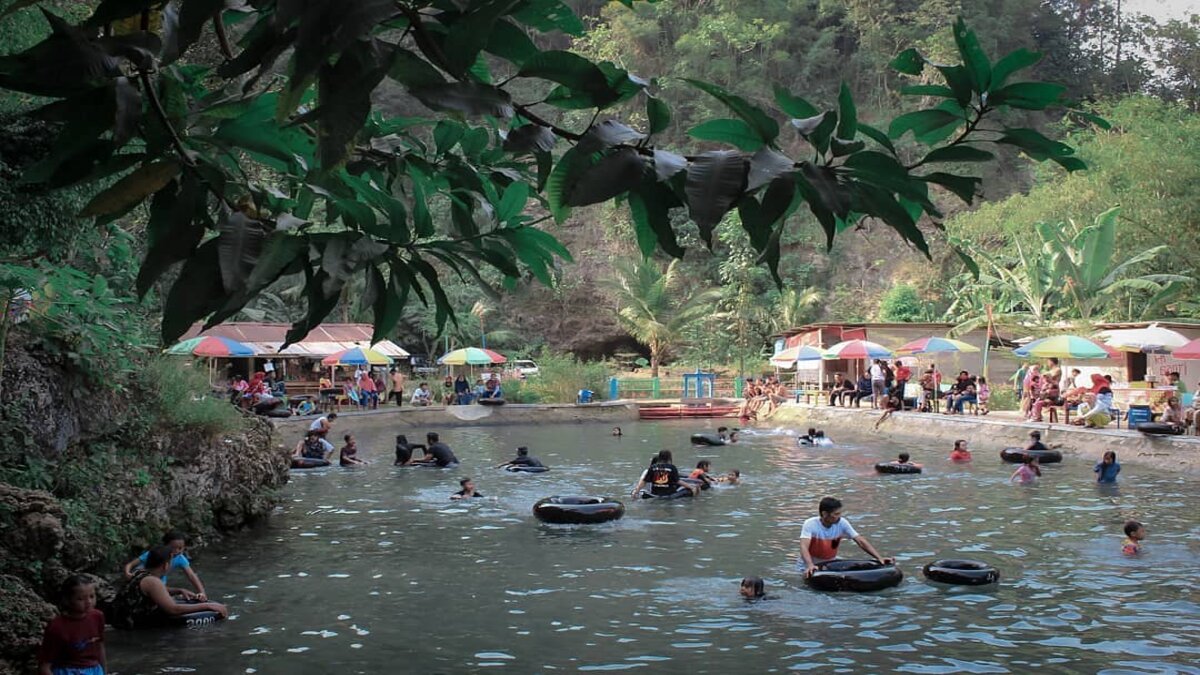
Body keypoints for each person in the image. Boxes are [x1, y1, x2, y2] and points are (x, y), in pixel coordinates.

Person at [111, 546, 229, 629]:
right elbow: (173, 609)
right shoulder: (153, 581)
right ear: (166, 565)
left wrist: (179, 590)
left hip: (122, 617)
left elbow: (153, 592)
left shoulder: (139, 572)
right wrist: (208, 605)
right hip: (133, 623)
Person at [799, 497, 893, 577]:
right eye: (836, 514)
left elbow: (860, 541)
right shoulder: (810, 524)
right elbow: (804, 547)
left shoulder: (842, 523)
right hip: (807, 565)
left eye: (840, 513)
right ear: (824, 514)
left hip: (829, 564)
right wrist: (810, 565)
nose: (839, 517)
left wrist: (879, 558)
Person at [38, 575, 106, 675]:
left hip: (94, 669)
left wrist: (104, 671)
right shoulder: (56, 626)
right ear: (67, 600)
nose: (89, 602)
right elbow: (44, 666)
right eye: (80, 599)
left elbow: (100, 646)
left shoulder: (98, 616)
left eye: (92, 596)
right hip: (67, 671)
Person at [123, 532, 206, 601]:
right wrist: (127, 573)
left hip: (160, 578)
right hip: (144, 576)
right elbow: (130, 564)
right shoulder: (154, 554)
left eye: (180, 548)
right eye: (173, 548)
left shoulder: (180, 558)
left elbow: (191, 576)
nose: (176, 551)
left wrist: (202, 593)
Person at [632, 450, 699, 497]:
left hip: (654, 494)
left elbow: (644, 481)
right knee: (695, 487)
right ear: (669, 458)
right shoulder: (672, 467)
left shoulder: (652, 467)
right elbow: (678, 481)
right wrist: (691, 487)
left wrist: (636, 491)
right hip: (669, 495)